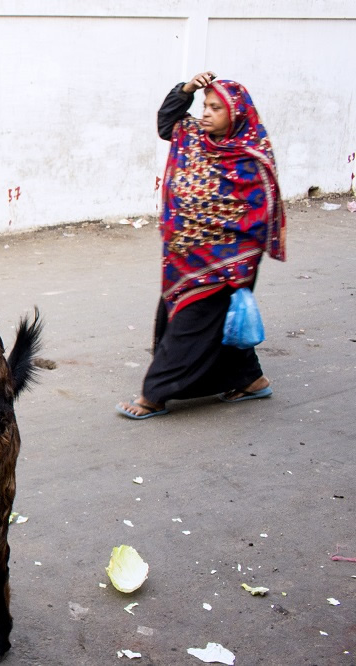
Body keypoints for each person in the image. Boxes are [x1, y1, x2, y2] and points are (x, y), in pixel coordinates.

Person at [116, 71, 286, 419]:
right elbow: (166, 122)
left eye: (215, 108)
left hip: (227, 262)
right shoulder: (191, 136)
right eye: (205, 106)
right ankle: (251, 380)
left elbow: (260, 212)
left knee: (190, 326)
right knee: (212, 322)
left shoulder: (249, 156)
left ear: (235, 114)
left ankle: (155, 395)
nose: (206, 113)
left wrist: (242, 265)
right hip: (184, 257)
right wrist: (187, 90)